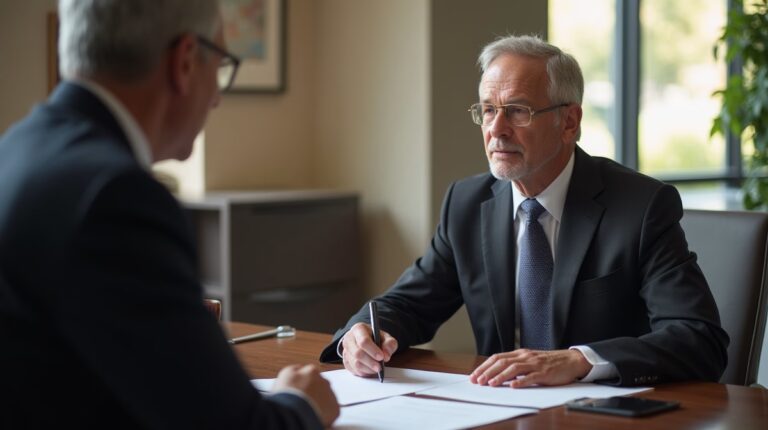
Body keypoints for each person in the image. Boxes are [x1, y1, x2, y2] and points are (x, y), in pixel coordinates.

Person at [320, 34, 729, 388]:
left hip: (602, 417)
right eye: (488, 110)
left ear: (570, 122)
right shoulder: (467, 204)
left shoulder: (640, 207)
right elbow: (407, 305)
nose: (496, 129)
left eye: (517, 110)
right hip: (499, 408)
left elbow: (698, 339)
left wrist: (579, 360)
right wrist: (360, 335)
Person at [0, 1, 338, 428]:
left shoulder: (15, 150)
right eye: (219, 67)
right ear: (183, 63)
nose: (216, 97)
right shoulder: (116, 197)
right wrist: (301, 403)